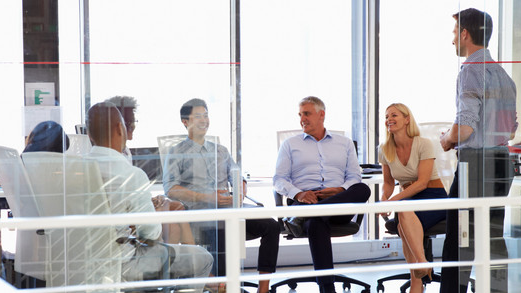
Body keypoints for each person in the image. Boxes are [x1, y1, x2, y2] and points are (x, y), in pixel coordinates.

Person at [86, 102, 212, 291]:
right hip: (124, 265)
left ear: (88, 134)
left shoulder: (75, 169)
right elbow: (152, 233)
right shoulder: (131, 174)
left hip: (86, 264)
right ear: (120, 129)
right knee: (202, 258)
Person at [163, 98, 280, 293]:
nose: (204, 120)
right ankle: (223, 287)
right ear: (185, 122)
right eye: (198, 116)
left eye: (206, 115)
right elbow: (171, 189)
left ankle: (263, 288)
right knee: (223, 228)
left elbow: (238, 176)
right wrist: (208, 197)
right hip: (200, 213)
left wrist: (240, 192)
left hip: (229, 209)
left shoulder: (221, 150)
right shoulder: (176, 152)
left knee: (272, 226)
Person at [439, 8, 518, 293]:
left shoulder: (470, 71)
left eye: (454, 33)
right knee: (493, 238)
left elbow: (466, 129)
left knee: (459, 240)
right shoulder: (504, 75)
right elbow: (511, 130)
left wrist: (447, 139)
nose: (452, 41)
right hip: (501, 163)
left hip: (475, 165)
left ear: (465, 34)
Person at [273, 96, 371, 293]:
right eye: (300, 115)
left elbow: (354, 176)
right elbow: (279, 180)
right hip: (305, 202)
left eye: (307, 114)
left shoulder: (344, 143)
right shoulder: (290, 144)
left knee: (363, 189)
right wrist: (299, 194)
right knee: (316, 222)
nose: (302, 119)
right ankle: (328, 289)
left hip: (338, 203)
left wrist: (342, 189)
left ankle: (308, 214)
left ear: (321, 115)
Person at [105, 95, 195, 245]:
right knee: (172, 223)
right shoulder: (109, 158)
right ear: (117, 125)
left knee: (176, 207)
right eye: (129, 122)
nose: (132, 126)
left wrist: (150, 201)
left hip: (132, 208)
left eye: (133, 121)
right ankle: (184, 263)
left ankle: (187, 264)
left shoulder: (125, 151)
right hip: (125, 220)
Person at [378, 103, 447, 293]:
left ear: (407, 119)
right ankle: (421, 267)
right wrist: (384, 199)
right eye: (386, 116)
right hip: (408, 200)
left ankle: (419, 272)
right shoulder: (384, 149)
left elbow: (423, 182)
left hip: (433, 197)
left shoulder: (423, 143)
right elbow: (388, 183)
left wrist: (394, 201)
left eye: (394, 115)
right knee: (402, 217)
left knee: (402, 214)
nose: (388, 119)